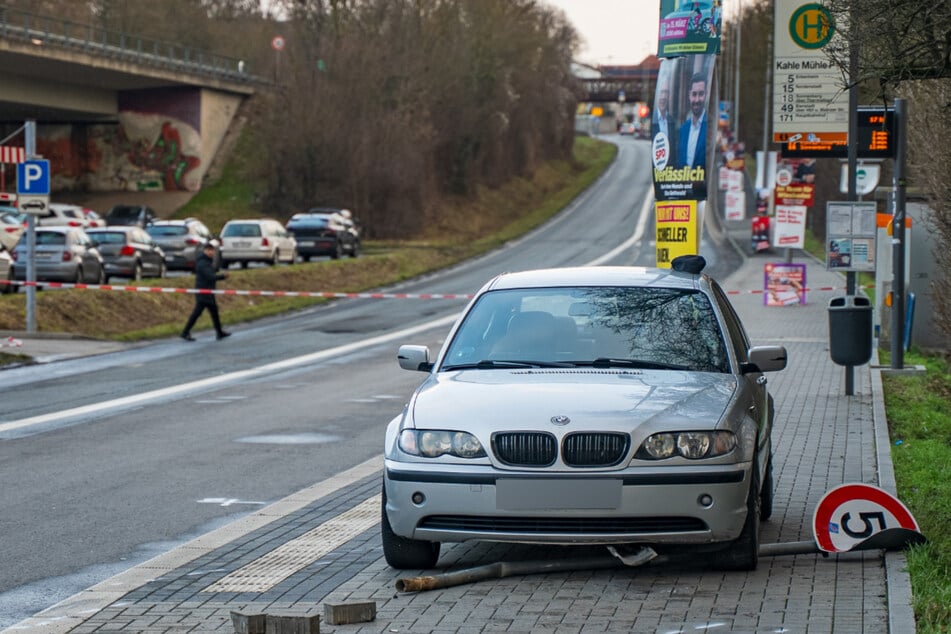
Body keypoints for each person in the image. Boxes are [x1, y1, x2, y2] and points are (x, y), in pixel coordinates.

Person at [181, 242, 231, 341]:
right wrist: (223, 276)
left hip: (208, 292)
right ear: (206, 251)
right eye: (210, 251)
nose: (212, 253)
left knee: (213, 312)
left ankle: (219, 332)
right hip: (204, 292)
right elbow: (210, 277)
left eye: (213, 251)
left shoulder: (207, 262)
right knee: (197, 313)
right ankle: (185, 332)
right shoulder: (203, 263)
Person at [678, 73, 708, 169]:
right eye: (694, 94)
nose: (697, 99)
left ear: (706, 94)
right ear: (689, 95)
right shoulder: (683, 130)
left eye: (701, 94)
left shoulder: (711, 126)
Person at [651, 84, 678, 164]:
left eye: (665, 92)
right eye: (661, 92)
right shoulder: (652, 121)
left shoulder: (672, 122)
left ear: (669, 96)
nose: (663, 97)